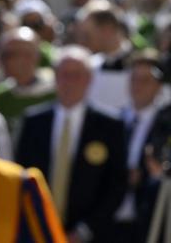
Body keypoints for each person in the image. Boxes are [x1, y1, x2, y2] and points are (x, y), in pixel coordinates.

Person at [15, 45, 128, 242]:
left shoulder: (110, 126)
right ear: (55, 77)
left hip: (89, 235)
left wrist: (84, 231)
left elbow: (117, 185)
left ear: (89, 79)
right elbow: (20, 174)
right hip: (37, 231)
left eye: (77, 75)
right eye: (64, 74)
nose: (69, 82)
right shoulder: (34, 122)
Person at [114, 51, 168, 239]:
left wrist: (145, 175)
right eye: (134, 79)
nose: (138, 86)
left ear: (159, 86)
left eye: (145, 81)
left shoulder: (166, 124)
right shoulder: (113, 121)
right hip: (109, 220)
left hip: (148, 220)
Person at [0, 27, 56, 136]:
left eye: (27, 54)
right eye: (6, 55)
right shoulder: (0, 95)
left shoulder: (54, 92)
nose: (4, 60)